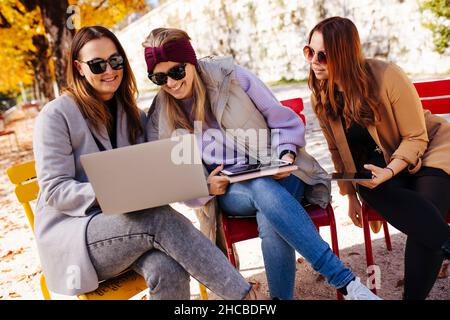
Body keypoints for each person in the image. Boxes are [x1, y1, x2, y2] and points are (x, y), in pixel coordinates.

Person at [143, 27, 381, 300]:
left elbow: (279, 118)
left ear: (192, 63)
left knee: (269, 212)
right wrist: (204, 185)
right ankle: (348, 285)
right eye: (159, 77)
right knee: (260, 189)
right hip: (231, 189)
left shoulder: (231, 77)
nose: (171, 83)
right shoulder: (161, 115)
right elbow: (171, 179)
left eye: (176, 72)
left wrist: (286, 155)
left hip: (277, 169)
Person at [32, 25, 267, 300]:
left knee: (167, 266)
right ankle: (244, 297)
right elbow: (55, 189)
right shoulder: (56, 115)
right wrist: (111, 193)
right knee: (158, 218)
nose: (109, 70)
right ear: (79, 68)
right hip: (76, 236)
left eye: (115, 60)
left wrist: (199, 181)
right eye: (97, 65)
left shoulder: (133, 115)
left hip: (130, 230)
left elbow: (159, 174)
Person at [305, 16, 450, 300]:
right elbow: (336, 151)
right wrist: (349, 197)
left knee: (427, 215)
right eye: (309, 51)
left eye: (323, 55)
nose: (314, 61)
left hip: (430, 149)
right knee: (370, 186)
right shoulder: (321, 95)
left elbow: (416, 137)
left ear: (344, 55)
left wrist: (392, 170)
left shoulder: (386, 76)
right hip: (379, 167)